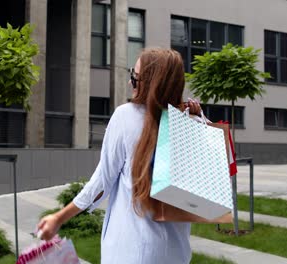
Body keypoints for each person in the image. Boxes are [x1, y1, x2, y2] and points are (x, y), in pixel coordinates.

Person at [37, 48, 201, 263]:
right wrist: (198, 119)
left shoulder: (126, 117)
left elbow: (102, 181)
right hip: (175, 252)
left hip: (131, 249)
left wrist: (59, 217)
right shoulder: (191, 124)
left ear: (150, 82)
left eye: (135, 77)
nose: (130, 82)